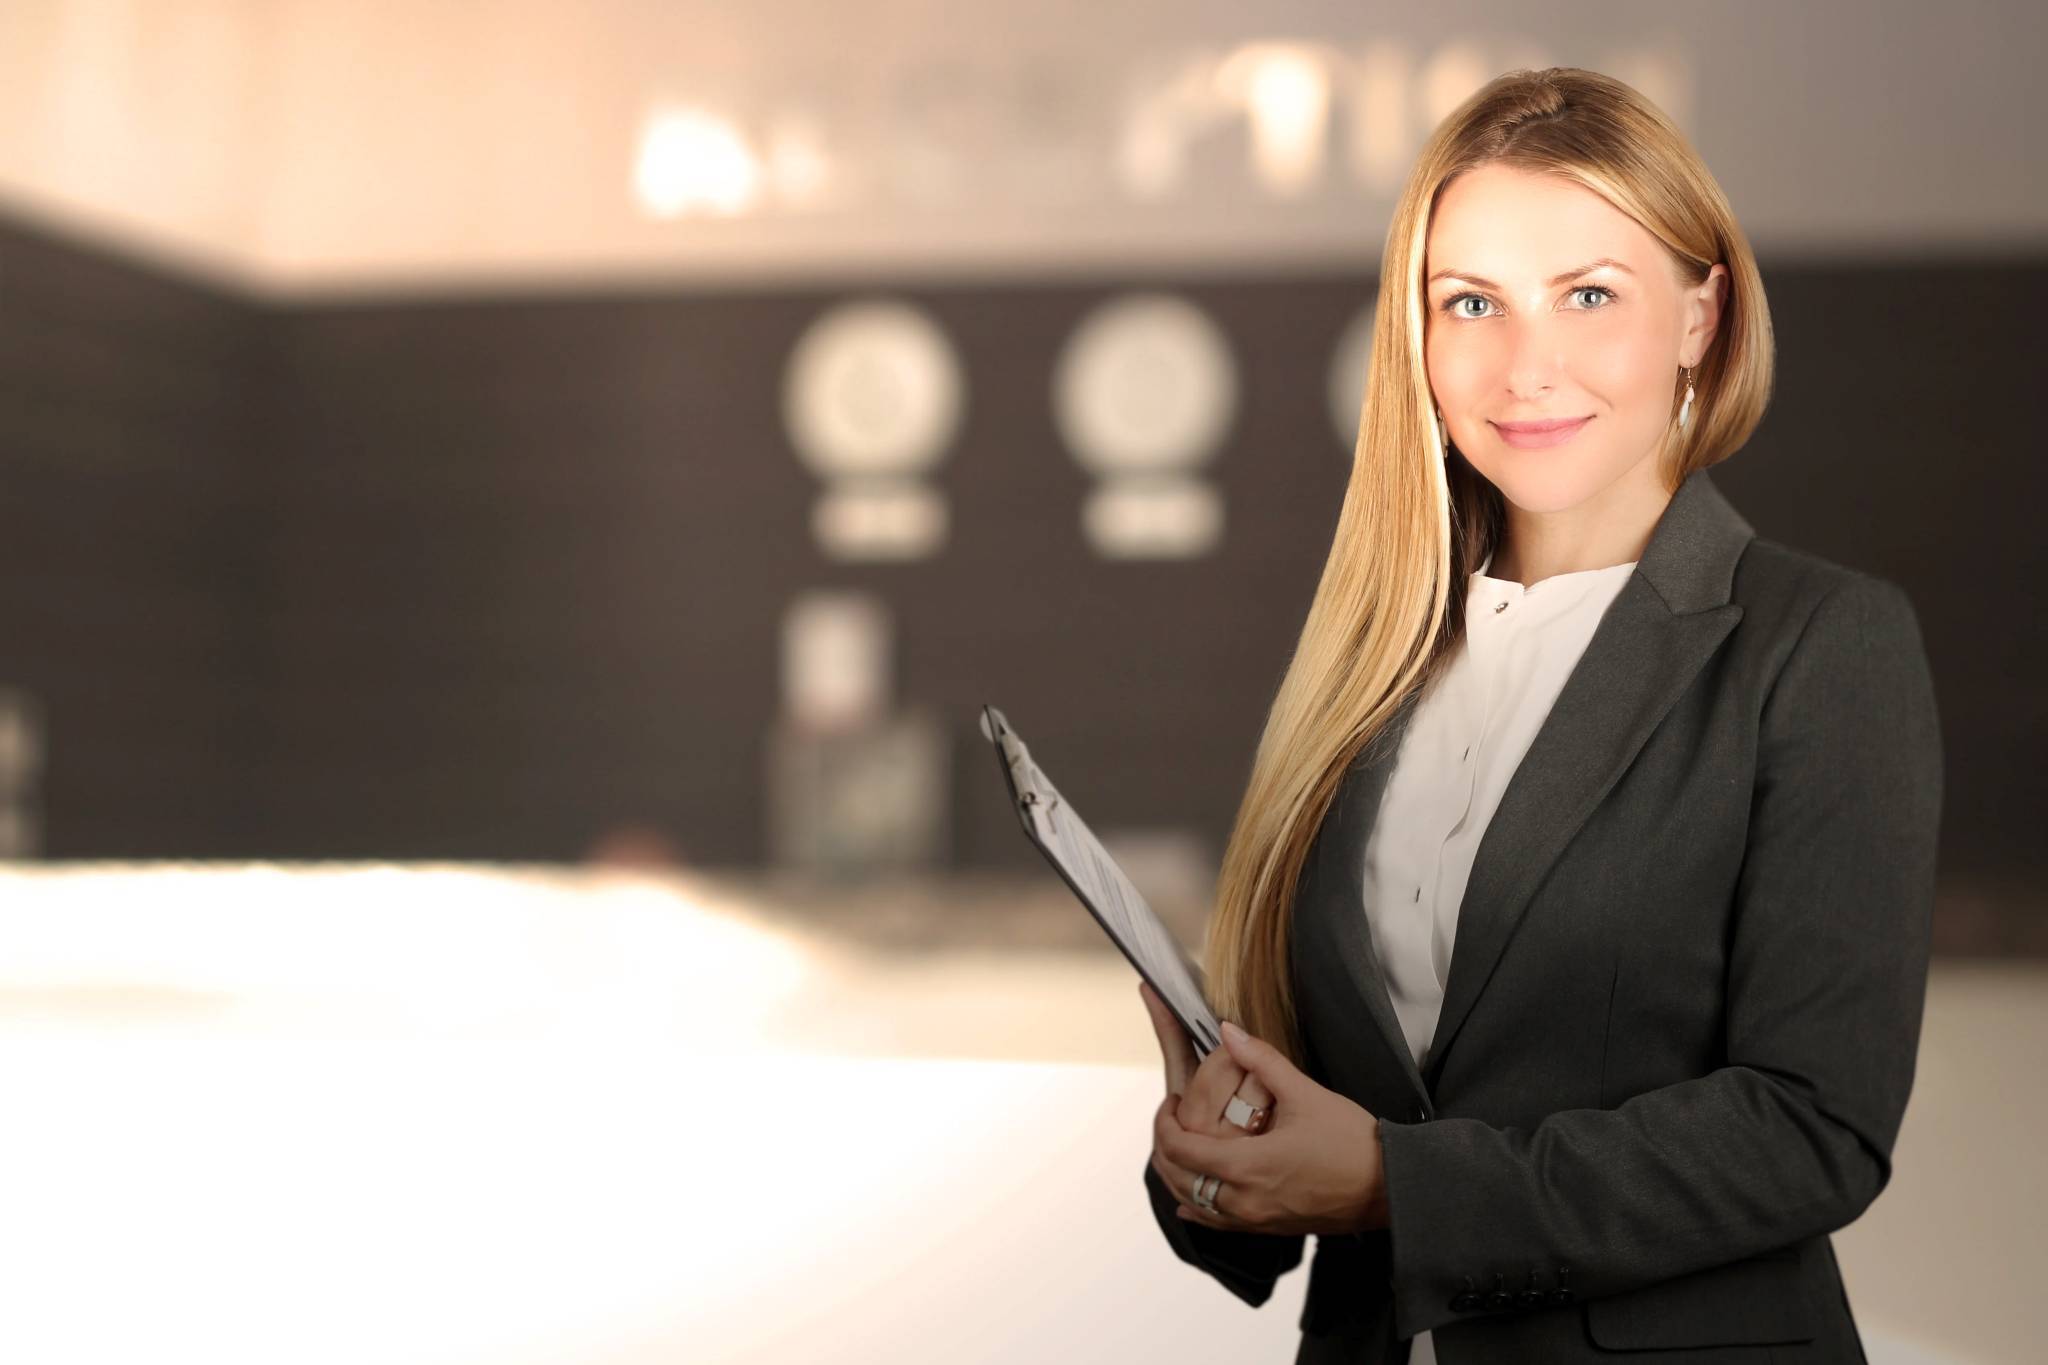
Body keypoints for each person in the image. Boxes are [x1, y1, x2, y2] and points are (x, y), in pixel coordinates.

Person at [1138, 67, 1941, 1365]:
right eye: (1472, 302)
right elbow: (1329, 1151)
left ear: (1700, 313)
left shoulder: (1822, 645)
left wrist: (1399, 1183)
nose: (1528, 364)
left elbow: (1815, 1129)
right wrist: (1219, 1156)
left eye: (1589, 294)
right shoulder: (1375, 654)